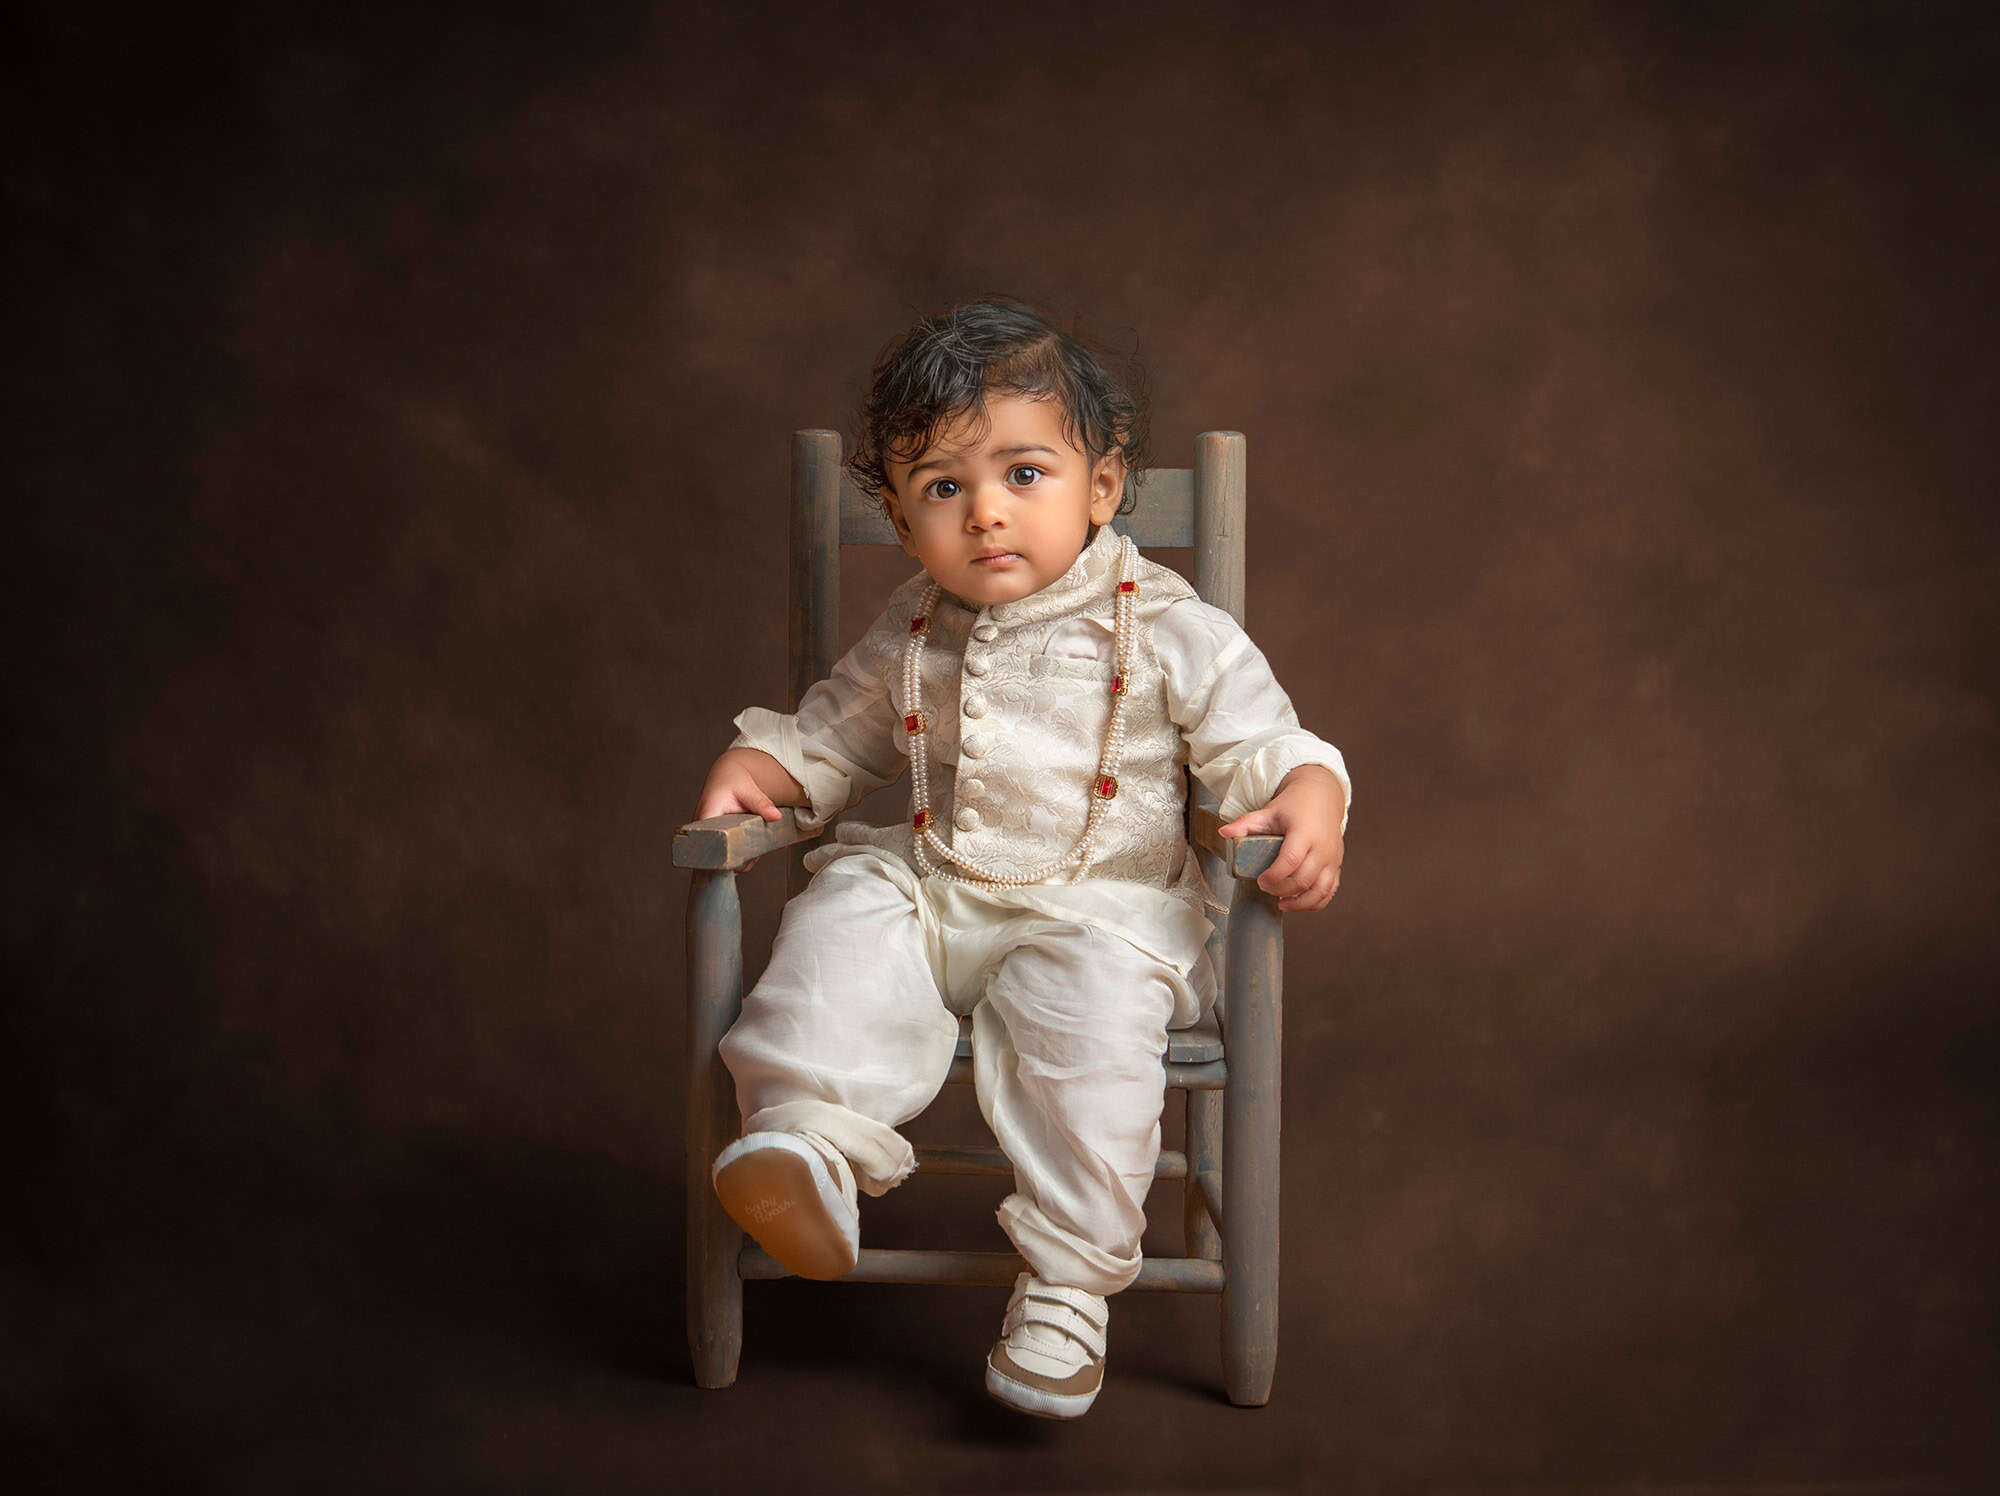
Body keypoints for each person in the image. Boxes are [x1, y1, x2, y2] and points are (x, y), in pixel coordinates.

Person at [693, 299, 1351, 1419]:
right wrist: (768, 768)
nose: (985, 510)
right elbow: (833, 734)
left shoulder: (1170, 624)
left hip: (1101, 914)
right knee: (839, 916)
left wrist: (1309, 794)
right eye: (943, 487)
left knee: (1085, 1033)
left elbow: (1261, 741)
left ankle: (1067, 1281)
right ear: (904, 523)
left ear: (1101, 487)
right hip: (933, 885)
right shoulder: (908, 626)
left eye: (1024, 473)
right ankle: (805, 1141)